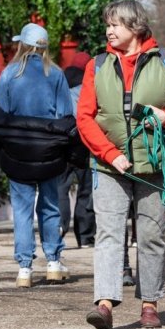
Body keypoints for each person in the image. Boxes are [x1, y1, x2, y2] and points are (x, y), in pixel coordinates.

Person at [77, 0, 165, 329]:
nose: (109, 30)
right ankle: (104, 305)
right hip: (108, 166)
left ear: (135, 26)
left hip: (154, 166)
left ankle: (150, 304)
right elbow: (85, 118)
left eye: (115, 24)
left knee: (151, 236)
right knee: (109, 234)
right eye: (107, 24)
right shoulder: (97, 65)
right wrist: (109, 153)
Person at [0, 23, 73, 288]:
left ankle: (24, 267)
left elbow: (2, 115)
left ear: (22, 45)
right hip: (49, 149)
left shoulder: (8, 74)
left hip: (18, 150)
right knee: (50, 205)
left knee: (22, 209)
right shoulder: (56, 74)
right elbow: (65, 114)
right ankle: (53, 261)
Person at [57, 52, 96, 248]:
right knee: (86, 191)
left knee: (60, 189)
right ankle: (86, 236)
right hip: (85, 144)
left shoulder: (59, 84)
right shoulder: (90, 84)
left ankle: (59, 228)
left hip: (63, 143)